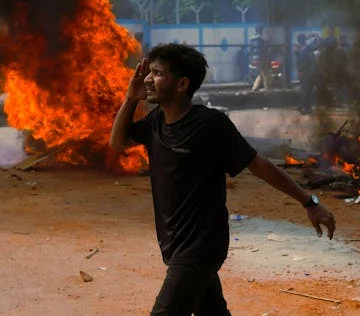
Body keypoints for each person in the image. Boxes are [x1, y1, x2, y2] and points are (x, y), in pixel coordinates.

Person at [110, 44, 336, 315]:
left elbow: (259, 165)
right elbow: (118, 142)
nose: (147, 78)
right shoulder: (156, 121)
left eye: (157, 73)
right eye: (149, 72)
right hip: (173, 241)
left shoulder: (210, 124)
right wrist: (130, 99)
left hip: (202, 245)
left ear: (182, 84)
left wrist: (309, 202)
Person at [295, 33, 316, 114]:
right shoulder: (307, 48)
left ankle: (303, 106)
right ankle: (305, 107)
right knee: (307, 90)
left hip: (302, 71)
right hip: (307, 71)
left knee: (304, 89)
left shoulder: (298, 48)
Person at [249, 25, 272, 92]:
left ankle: (255, 88)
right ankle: (267, 89)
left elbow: (251, 48)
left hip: (254, 58)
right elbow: (264, 47)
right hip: (261, 58)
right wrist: (269, 39)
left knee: (261, 73)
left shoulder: (251, 38)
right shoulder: (260, 39)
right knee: (266, 74)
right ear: (261, 30)